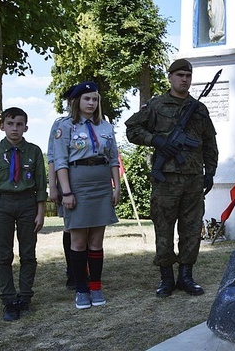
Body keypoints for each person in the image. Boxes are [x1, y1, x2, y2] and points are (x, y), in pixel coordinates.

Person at [126, 59, 218, 298]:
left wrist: (211, 172)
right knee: (164, 229)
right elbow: (132, 129)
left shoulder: (199, 109)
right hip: (165, 180)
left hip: (193, 179)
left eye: (188, 75)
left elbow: (209, 143)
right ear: (170, 77)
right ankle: (166, 278)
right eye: (179, 75)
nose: (184, 79)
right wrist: (155, 140)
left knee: (191, 228)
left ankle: (186, 276)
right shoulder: (156, 105)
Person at [53, 82, 121, 309]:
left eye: (95, 99)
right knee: (79, 241)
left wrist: (116, 187)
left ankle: (96, 286)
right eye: (87, 99)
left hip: (101, 185)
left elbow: (113, 159)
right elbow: (60, 161)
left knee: (96, 241)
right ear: (77, 101)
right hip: (77, 184)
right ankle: (81, 289)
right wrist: (66, 192)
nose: (91, 103)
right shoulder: (65, 126)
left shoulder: (105, 127)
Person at [0, 107, 47, 321]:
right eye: (10, 124)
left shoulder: (34, 152)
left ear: (26, 127)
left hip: (28, 203)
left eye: (19, 124)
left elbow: (41, 183)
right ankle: (9, 300)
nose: (15, 128)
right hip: (2, 204)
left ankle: (25, 297)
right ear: (2, 126)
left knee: (28, 252)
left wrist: (40, 212)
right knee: (3, 254)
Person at [47, 87, 76, 289]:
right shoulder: (60, 125)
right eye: (72, 100)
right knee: (70, 227)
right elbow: (52, 158)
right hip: (66, 181)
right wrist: (52, 186)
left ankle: (85, 269)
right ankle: (72, 270)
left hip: (88, 183)